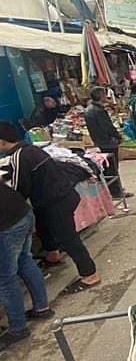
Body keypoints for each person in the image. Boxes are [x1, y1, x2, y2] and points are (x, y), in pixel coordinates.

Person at [0, 121, 102, 294]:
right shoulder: (32, 149)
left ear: (2, 142)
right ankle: (52, 254)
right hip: (59, 195)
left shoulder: (19, 156)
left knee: (68, 239)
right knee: (43, 224)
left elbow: (19, 189)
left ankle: (90, 274)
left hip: (55, 201)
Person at [0, 182, 54, 350]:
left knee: (5, 278)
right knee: (24, 261)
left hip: (6, 225)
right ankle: (42, 308)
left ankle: (18, 328)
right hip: (22, 212)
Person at [84, 86, 132, 199]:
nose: (106, 97)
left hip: (99, 142)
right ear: (101, 97)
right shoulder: (98, 110)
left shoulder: (89, 109)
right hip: (107, 142)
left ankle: (113, 189)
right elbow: (107, 126)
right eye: (105, 95)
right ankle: (116, 191)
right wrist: (117, 136)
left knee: (107, 168)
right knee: (112, 168)